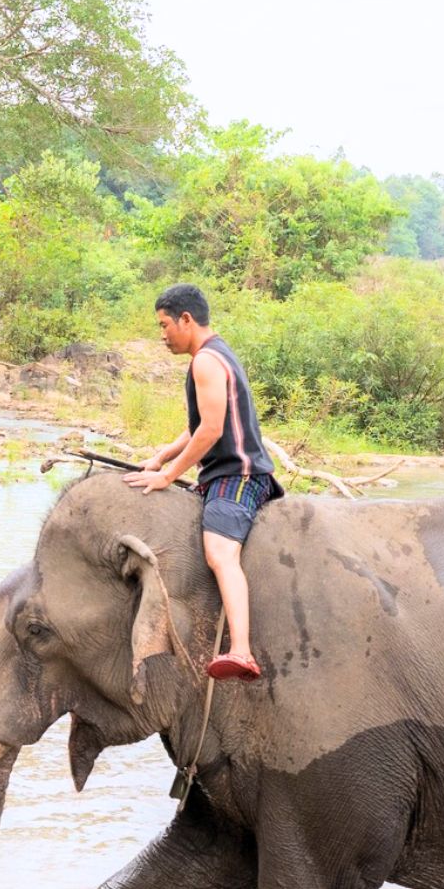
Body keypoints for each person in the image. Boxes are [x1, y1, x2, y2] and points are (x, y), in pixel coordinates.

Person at [122, 283, 283, 680]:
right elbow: (198, 426)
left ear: (187, 320)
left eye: (164, 325)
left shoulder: (205, 363)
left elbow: (211, 431)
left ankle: (241, 650)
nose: (162, 335)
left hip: (238, 475)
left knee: (219, 553)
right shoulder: (216, 354)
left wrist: (168, 476)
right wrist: (162, 454)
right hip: (221, 474)